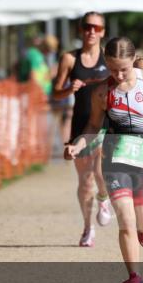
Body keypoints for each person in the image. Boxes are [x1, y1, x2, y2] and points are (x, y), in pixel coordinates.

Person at [65, 37, 143, 283]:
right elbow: (92, 127)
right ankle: (134, 277)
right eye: (112, 69)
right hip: (114, 161)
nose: (118, 75)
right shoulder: (101, 91)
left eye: (124, 69)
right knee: (125, 220)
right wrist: (77, 146)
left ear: (133, 60)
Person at [52, 12, 114, 247]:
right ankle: (88, 228)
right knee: (84, 180)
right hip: (80, 125)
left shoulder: (109, 59)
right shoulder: (69, 59)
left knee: (100, 173)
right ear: (81, 30)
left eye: (97, 28)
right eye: (87, 27)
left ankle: (104, 197)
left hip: (104, 126)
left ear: (103, 32)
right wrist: (69, 89)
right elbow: (55, 93)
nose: (91, 32)